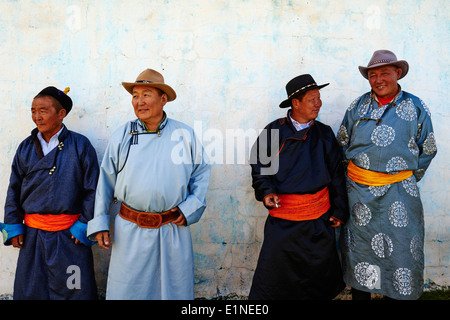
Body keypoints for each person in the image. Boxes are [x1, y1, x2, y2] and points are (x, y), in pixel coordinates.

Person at [87, 68, 211, 300]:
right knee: (128, 292)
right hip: (130, 231)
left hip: (172, 228)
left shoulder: (185, 135)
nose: (139, 101)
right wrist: (101, 222)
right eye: (135, 95)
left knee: (173, 292)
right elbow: (105, 181)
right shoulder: (123, 135)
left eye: (146, 94)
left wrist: (189, 209)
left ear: (163, 99)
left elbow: (201, 174)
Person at [337, 50, 437, 300]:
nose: (378, 79)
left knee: (402, 253)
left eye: (385, 73)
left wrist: (405, 178)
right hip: (358, 194)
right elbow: (342, 143)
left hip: (400, 193)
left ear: (398, 73)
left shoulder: (415, 107)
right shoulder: (357, 106)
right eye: (373, 75)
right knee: (361, 253)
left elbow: (429, 147)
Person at [248, 74, 349, 300]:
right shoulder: (274, 132)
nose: (318, 104)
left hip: (318, 220)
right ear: (296, 102)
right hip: (284, 221)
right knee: (277, 279)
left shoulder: (324, 133)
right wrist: (267, 192)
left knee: (318, 278)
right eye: (312, 99)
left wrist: (339, 210)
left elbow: (336, 174)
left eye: (319, 98)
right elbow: (261, 169)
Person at [0, 86, 99, 299]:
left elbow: (93, 189)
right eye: (33, 111)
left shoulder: (80, 145)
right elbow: (14, 189)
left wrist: (84, 224)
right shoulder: (25, 148)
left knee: (75, 291)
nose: (37, 116)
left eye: (43, 110)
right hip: (33, 236)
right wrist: (13, 225)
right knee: (32, 291)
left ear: (61, 114)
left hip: (70, 235)